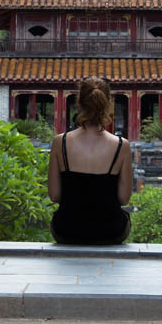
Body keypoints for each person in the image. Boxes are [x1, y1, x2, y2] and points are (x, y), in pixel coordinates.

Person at [47, 76, 133, 244]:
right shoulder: (121, 145)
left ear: (79, 103)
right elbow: (123, 199)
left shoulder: (60, 142)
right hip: (111, 231)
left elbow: (55, 196)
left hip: (67, 229)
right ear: (107, 104)